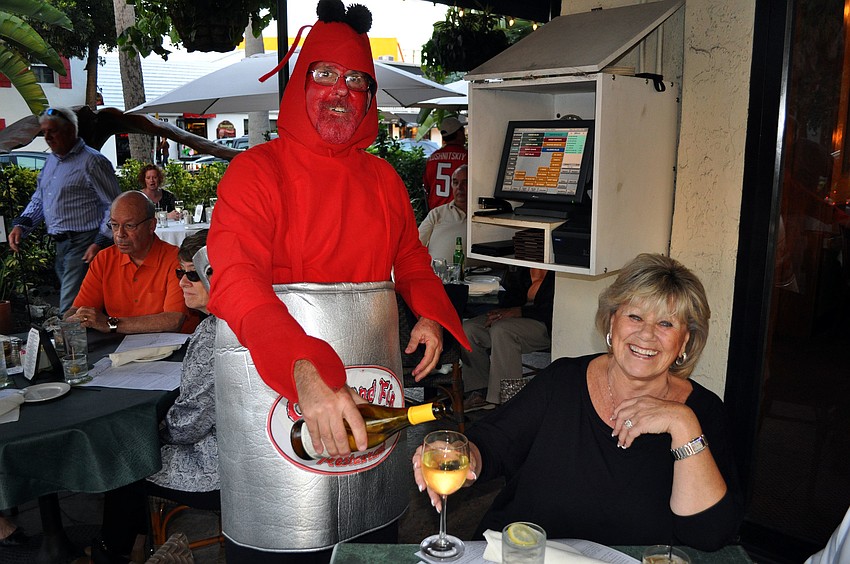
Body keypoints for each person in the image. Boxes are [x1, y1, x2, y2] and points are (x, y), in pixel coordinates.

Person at [206, 1, 468, 562]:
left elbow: (411, 257)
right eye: (324, 74)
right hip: (275, 398)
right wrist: (303, 367)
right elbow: (234, 282)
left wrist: (428, 312)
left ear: (369, 99)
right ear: (300, 82)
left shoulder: (384, 179)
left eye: (356, 80)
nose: (340, 90)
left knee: (370, 539)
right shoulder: (254, 173)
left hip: (372, 399)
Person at [416, 253, 743, 551]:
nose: (646, 335)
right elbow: (492, 444)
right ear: (612, 321)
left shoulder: (702, 413)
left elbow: (708, 536)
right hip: (524, 556)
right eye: (635, 317)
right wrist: (465, 456)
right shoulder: (564, 380)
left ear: (685, 340)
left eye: (666, 324)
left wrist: (683, 424)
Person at [94, 229, 219, 563]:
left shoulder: (214, 335)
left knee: (124, 455)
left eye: (192, 275)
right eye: (179, 273)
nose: (182, 282)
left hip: (219, 470)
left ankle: (113, 551)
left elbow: (187, 427)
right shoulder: (221, 325)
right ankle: (133, 541)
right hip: (238, 455)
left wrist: (154, 433)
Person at [8, 107, 120, 315]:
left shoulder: (92, 161)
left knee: (70, 305)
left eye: (53, 131)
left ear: (70, 131)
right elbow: (40, 198)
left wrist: (100, 241)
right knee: (85, 303)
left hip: (84, 242)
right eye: (44, 132)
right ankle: (90, 341)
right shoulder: (51, 161)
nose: (47, 137)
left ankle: (66, 346)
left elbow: (114, 205)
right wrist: (22, 225)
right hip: (61, 244)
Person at [65, 191, 195, 334]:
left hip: (173, 348)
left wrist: (110, 324)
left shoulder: (174, 259)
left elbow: (173, 321)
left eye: (129, 226)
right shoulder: (104, 259)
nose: (120, 234)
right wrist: (70, 322)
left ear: (151, 226)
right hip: (119, 348)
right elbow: (79, 308)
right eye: (114, 225)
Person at [461, 266, 555, 408]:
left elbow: (553, 309)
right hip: (515, 317)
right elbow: (512, 298)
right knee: (470, 329)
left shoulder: (559, 270)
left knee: (502, 330)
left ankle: (507, 400)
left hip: (546, 323)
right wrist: (501, 311)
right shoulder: (522, 266)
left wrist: (518, 312)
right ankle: (479, 391)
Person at [418, 164, 468, 262]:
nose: (459, 187)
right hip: (438, 275)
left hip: (481, 275)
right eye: (455, 182)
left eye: (465, 182)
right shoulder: (437, 214)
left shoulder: (485, 215)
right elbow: (414, 246)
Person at [423, 116, 467, 211]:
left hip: (435, 213)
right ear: (459, 134)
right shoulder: (467, 157)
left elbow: (427, 187)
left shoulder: (431, 159)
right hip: (458, 213)